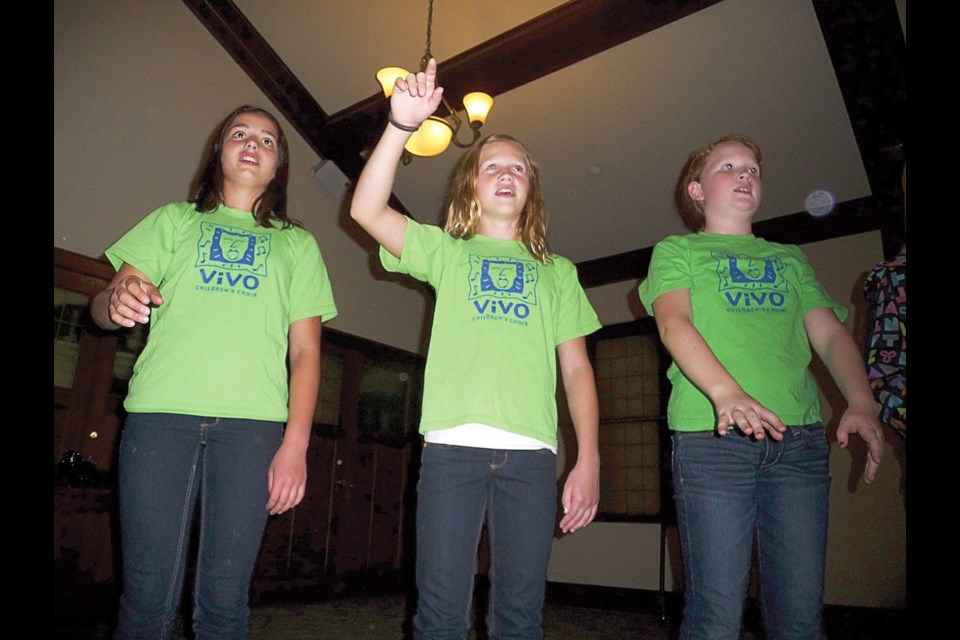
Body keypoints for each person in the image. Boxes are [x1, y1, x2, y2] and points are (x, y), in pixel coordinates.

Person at [349, 59, 601, 640]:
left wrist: (587, 458)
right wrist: (400, 127)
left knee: (519, 615)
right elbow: (365, 210)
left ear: (531, 188)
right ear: (472, 186)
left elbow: (578, 368)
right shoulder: (447, 252)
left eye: (518, 167)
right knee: (439, 614)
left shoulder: (557, 272)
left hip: (533, 460)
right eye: (492, 166)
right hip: (451, 455)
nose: (506, 174)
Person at [91, 105, 338, 640]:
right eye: (239, 134)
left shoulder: (298, 244)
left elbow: (307, 354)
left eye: (268, 140)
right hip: (159, 421)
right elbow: (103, 306)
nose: (253, 144)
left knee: (225, 605)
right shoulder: (173, 221)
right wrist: (116, 302)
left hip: (253, 433)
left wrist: (295, 446)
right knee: (145, 600)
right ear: (219, 151)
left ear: (279, 166)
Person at [638, 135, 884, 640]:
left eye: (753, 168)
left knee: (800, 616)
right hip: (714, 441)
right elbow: (674, 323)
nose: (745, 174)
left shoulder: (790, 258)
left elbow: (831, 333)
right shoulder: (677, 250)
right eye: (728, 166)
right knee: (715, 617)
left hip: (799, 446)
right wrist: (727, 393)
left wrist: (861, 401)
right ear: (697, 190)